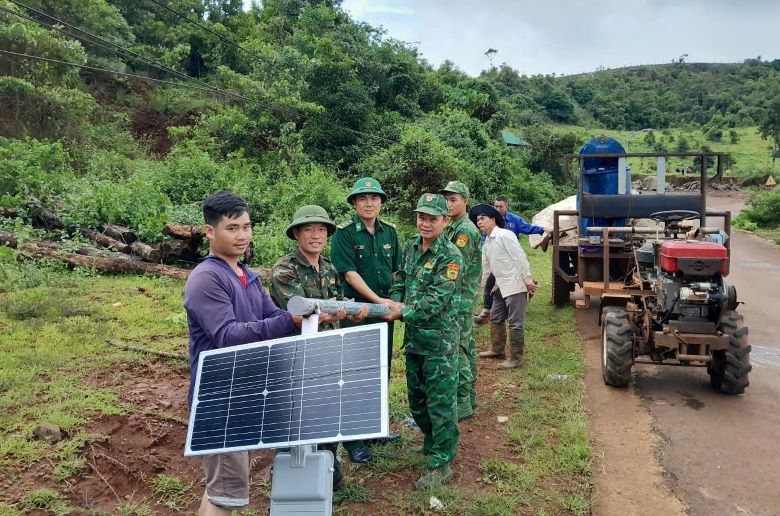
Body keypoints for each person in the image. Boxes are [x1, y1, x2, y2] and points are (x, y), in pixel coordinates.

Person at [184, 191, 300, 516]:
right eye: (232, 228)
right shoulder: (206, 278)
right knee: (226, 496)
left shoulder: (247, 276)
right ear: (210, 231)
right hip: (219, 402)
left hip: (243, 395)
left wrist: (296, 318)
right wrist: (288, 320)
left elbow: (272, 316)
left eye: (247, 227)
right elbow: (228, 336)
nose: (243, 236)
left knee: (221, 491)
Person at [268, 205, 368, 491]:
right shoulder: (284, 271)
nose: (316, 235)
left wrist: (352, 311)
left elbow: (336, 301)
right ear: (297, 233)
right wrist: (329, 314)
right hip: (298, 358)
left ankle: (328, 468)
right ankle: (290, 477)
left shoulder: (329, 268)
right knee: (296, 418)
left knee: (328, 412)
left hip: (329, 353)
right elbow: (296, 316)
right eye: (309, 229)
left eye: (321, 230)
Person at [386, 193, 463, 490]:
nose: (425, 223)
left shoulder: (450, 256)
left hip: (440, 344)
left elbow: (436, 301)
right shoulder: (411, 246)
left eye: (432, 218)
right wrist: (394, 300)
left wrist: (401, 311)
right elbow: (401, 280)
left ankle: (442, 462)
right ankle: (431, 443)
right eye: (421, 217)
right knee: (417, 402)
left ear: (445, 221)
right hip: (415, 341)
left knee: (441, 404)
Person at [331, 177, 401, 463]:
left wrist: (395, 299)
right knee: (357, 377)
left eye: (374, 198)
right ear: (354, 204)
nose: (369, 203)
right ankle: (354, 441)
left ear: (382, 202)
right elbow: (350, 274)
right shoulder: (344, 234)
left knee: (380, 373)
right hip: (358, 315)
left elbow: (397, 272)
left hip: (386, 315)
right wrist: (379, 301)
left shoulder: (390, 233)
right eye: (362, 199)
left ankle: (376, 429)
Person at [470, 203, 539, 368]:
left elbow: (520, 258)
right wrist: (476, 288)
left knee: (515, 322)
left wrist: (528, 281)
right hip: (500, 285)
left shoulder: (505, 235)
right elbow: (486, 269)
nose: (479, 222)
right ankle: (497, 349)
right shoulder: (487, 243)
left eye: (483, 218)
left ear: (493, 220)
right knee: (495, 317)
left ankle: (516, 358)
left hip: (515, 283)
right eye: (477, 219)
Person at [439, 181, 482, 421]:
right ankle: (469, 398)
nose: (448, 203)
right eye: (446, 199)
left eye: (453, 199)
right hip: (460, 299)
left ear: (465, 202)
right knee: (467, 347)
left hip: (460, 300)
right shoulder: (453, 227)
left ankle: (463, 402)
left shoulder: (464, 231)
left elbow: (453, 268)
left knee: (460, 350)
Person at [474, 196, 550, 324]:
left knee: (513, 286)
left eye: (500, 206)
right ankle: (487, 309)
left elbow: (528, 228)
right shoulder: (487, 227)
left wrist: (542, 229)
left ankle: (515, 308)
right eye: (496, 206)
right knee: (490, 283)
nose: (498, 208)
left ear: (506, 207)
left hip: (511, 259)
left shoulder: (513, 221)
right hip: (496, 260)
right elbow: (485, 247)